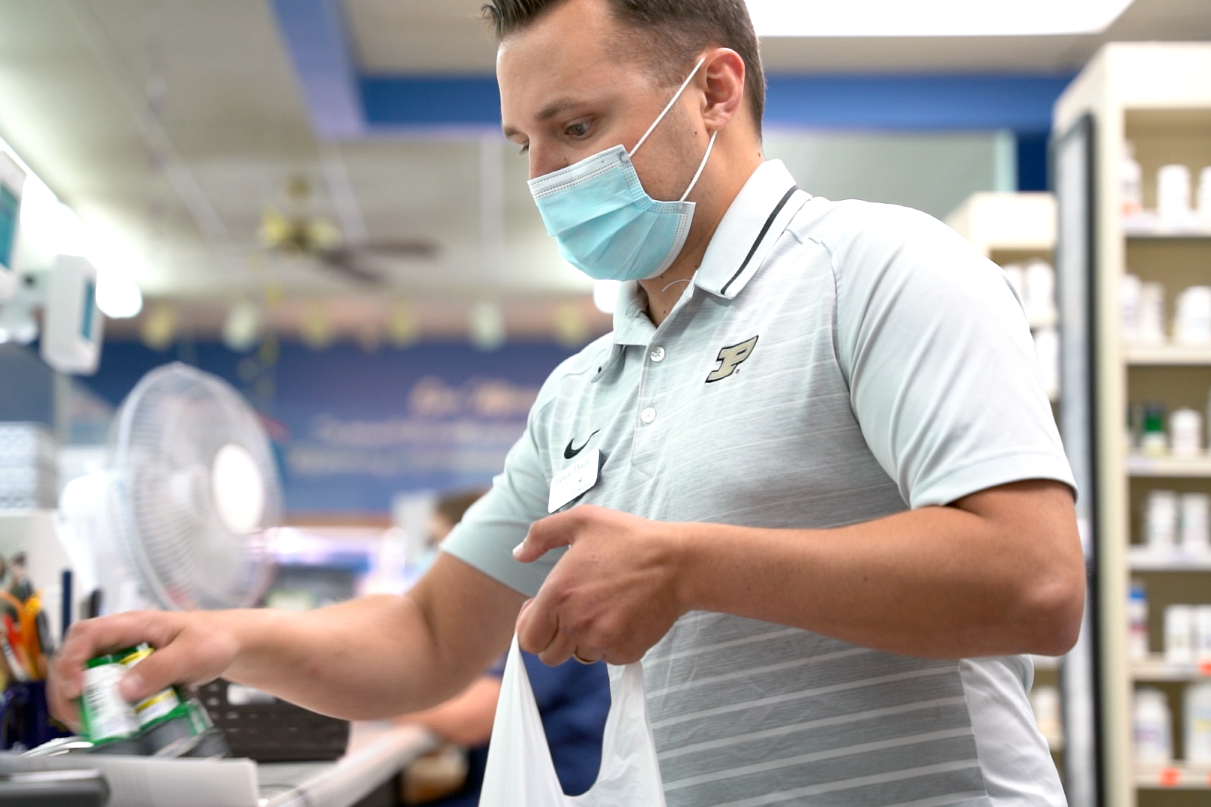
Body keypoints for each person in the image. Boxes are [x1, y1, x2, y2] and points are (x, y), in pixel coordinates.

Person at [51, 1, 1086, 804]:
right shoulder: (581, 392)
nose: (544, 177)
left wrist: (689, 565)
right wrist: (231, 641)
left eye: (575, 126)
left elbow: (1032, 579)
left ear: (713, 90)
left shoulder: (881, 269)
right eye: (523, 144)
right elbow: (426, 635)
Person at [396, 491, 609, 806]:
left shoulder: (548, 611)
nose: (434, 557)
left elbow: (470, 718)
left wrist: (373, 707)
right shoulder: (515, 612)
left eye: (440, 542)